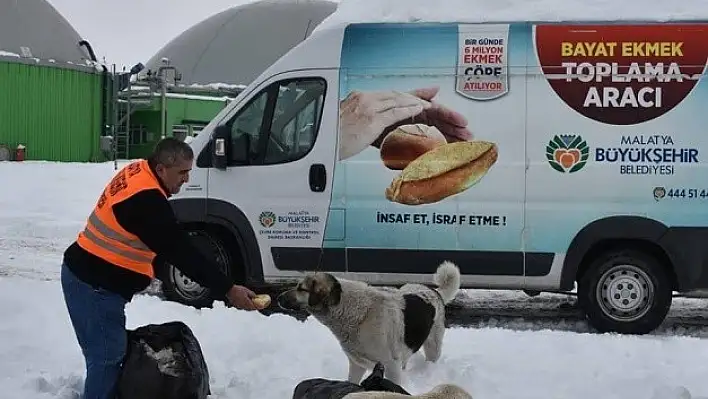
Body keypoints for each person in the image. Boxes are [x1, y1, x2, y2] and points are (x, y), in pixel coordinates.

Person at [60, 137, 259, 399]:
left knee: (107, 355)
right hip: (93, 286)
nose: (186, 179)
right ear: (162, 168)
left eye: (189, 172)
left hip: (91, 277)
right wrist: (228, 288)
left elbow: (149, 237)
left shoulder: (140, 172)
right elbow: (181, 251)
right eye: (182, 173)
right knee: (107, 357)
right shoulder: (147, 200)